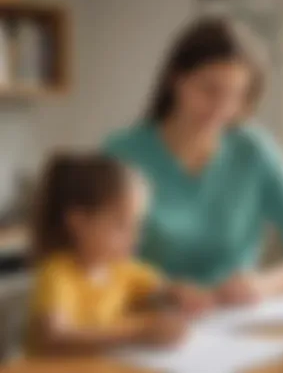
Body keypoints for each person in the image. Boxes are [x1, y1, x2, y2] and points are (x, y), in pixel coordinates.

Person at [103, 17, 283, 306]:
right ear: (176, 79)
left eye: (236, 95)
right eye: (209, 90)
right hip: (149, 326)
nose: (221, 109)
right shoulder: (122, 154)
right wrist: (161, 292)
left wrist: (265, 284)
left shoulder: (254, 151)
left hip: (236, 322)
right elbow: (92, 267)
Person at [25, 153, 208, 357]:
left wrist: (181, 294)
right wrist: (138, 332)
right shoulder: (57, 273)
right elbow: (53, 337)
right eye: (121, 225)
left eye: (138, 225)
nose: (135, 237)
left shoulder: (123, 269)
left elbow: (163, 290)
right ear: (78, 222)